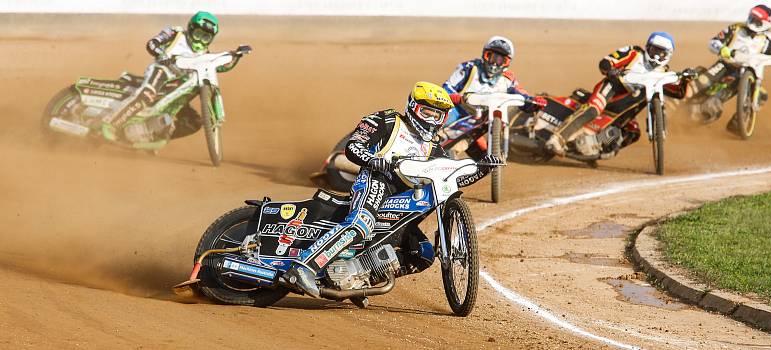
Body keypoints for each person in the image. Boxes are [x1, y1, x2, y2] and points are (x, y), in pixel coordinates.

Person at [283, 82, 500, 297]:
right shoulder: (387, 121)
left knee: (423, 253)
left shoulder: (434, 148)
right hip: (377, 180)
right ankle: (303, 267)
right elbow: (353, 146)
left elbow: (450, 182)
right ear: (413, 107)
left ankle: (360, 279)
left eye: (438, 116)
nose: (432, 120)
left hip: (404, 198)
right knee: (361, 224)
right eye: (427, 112)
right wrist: (373, 160)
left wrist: (482, 170)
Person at [545, 32, 695, 156]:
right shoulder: (634, 53)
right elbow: (606, 62)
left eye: (662, 53)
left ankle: (599, 147)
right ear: (648, 47)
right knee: (593, 109)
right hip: (612, 87)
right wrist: (611, 70)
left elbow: (678, 93)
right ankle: (557, 139)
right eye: (655, 51)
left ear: (668, 55)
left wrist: (686, 80)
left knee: (633, 131)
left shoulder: (663, 73)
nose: (657, 56)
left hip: (623, 106)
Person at [101, 11, 241, 143]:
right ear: (191, 28)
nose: (200, 41)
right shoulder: (175, 33)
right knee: (147, 94)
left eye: (206, 37)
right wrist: (162, 55)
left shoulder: (204, 53)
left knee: (193, 122)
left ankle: (152, 136)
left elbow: (218, 67)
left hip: (181, 87)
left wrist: (236, 57)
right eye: (198, 34)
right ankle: (111, 124)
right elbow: (152, 43)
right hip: (163, 71)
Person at [696, 4, 771, 131]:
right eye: (752, 18)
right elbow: (713, 42)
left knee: (761, 95)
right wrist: (723, 49)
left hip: (745, 74)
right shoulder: (736, 28)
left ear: (766, 23)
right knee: (701, 83)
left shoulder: (767, 39)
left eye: (757, 21)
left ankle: (739, 124)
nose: (752, 22)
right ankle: (676, 99)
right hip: (726, 65)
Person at [442, 36, 545, 158]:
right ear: (485, 55)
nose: (495, 63)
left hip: (479, 124)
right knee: (439, 125)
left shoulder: (508, 79)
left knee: (487, 159)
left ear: (507, 62)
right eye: (491, 56)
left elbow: (521, 95)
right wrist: (457, 98)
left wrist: (534, 103)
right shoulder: (469, 68)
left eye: (501, 60)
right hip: (457, 112)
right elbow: (446, 88)